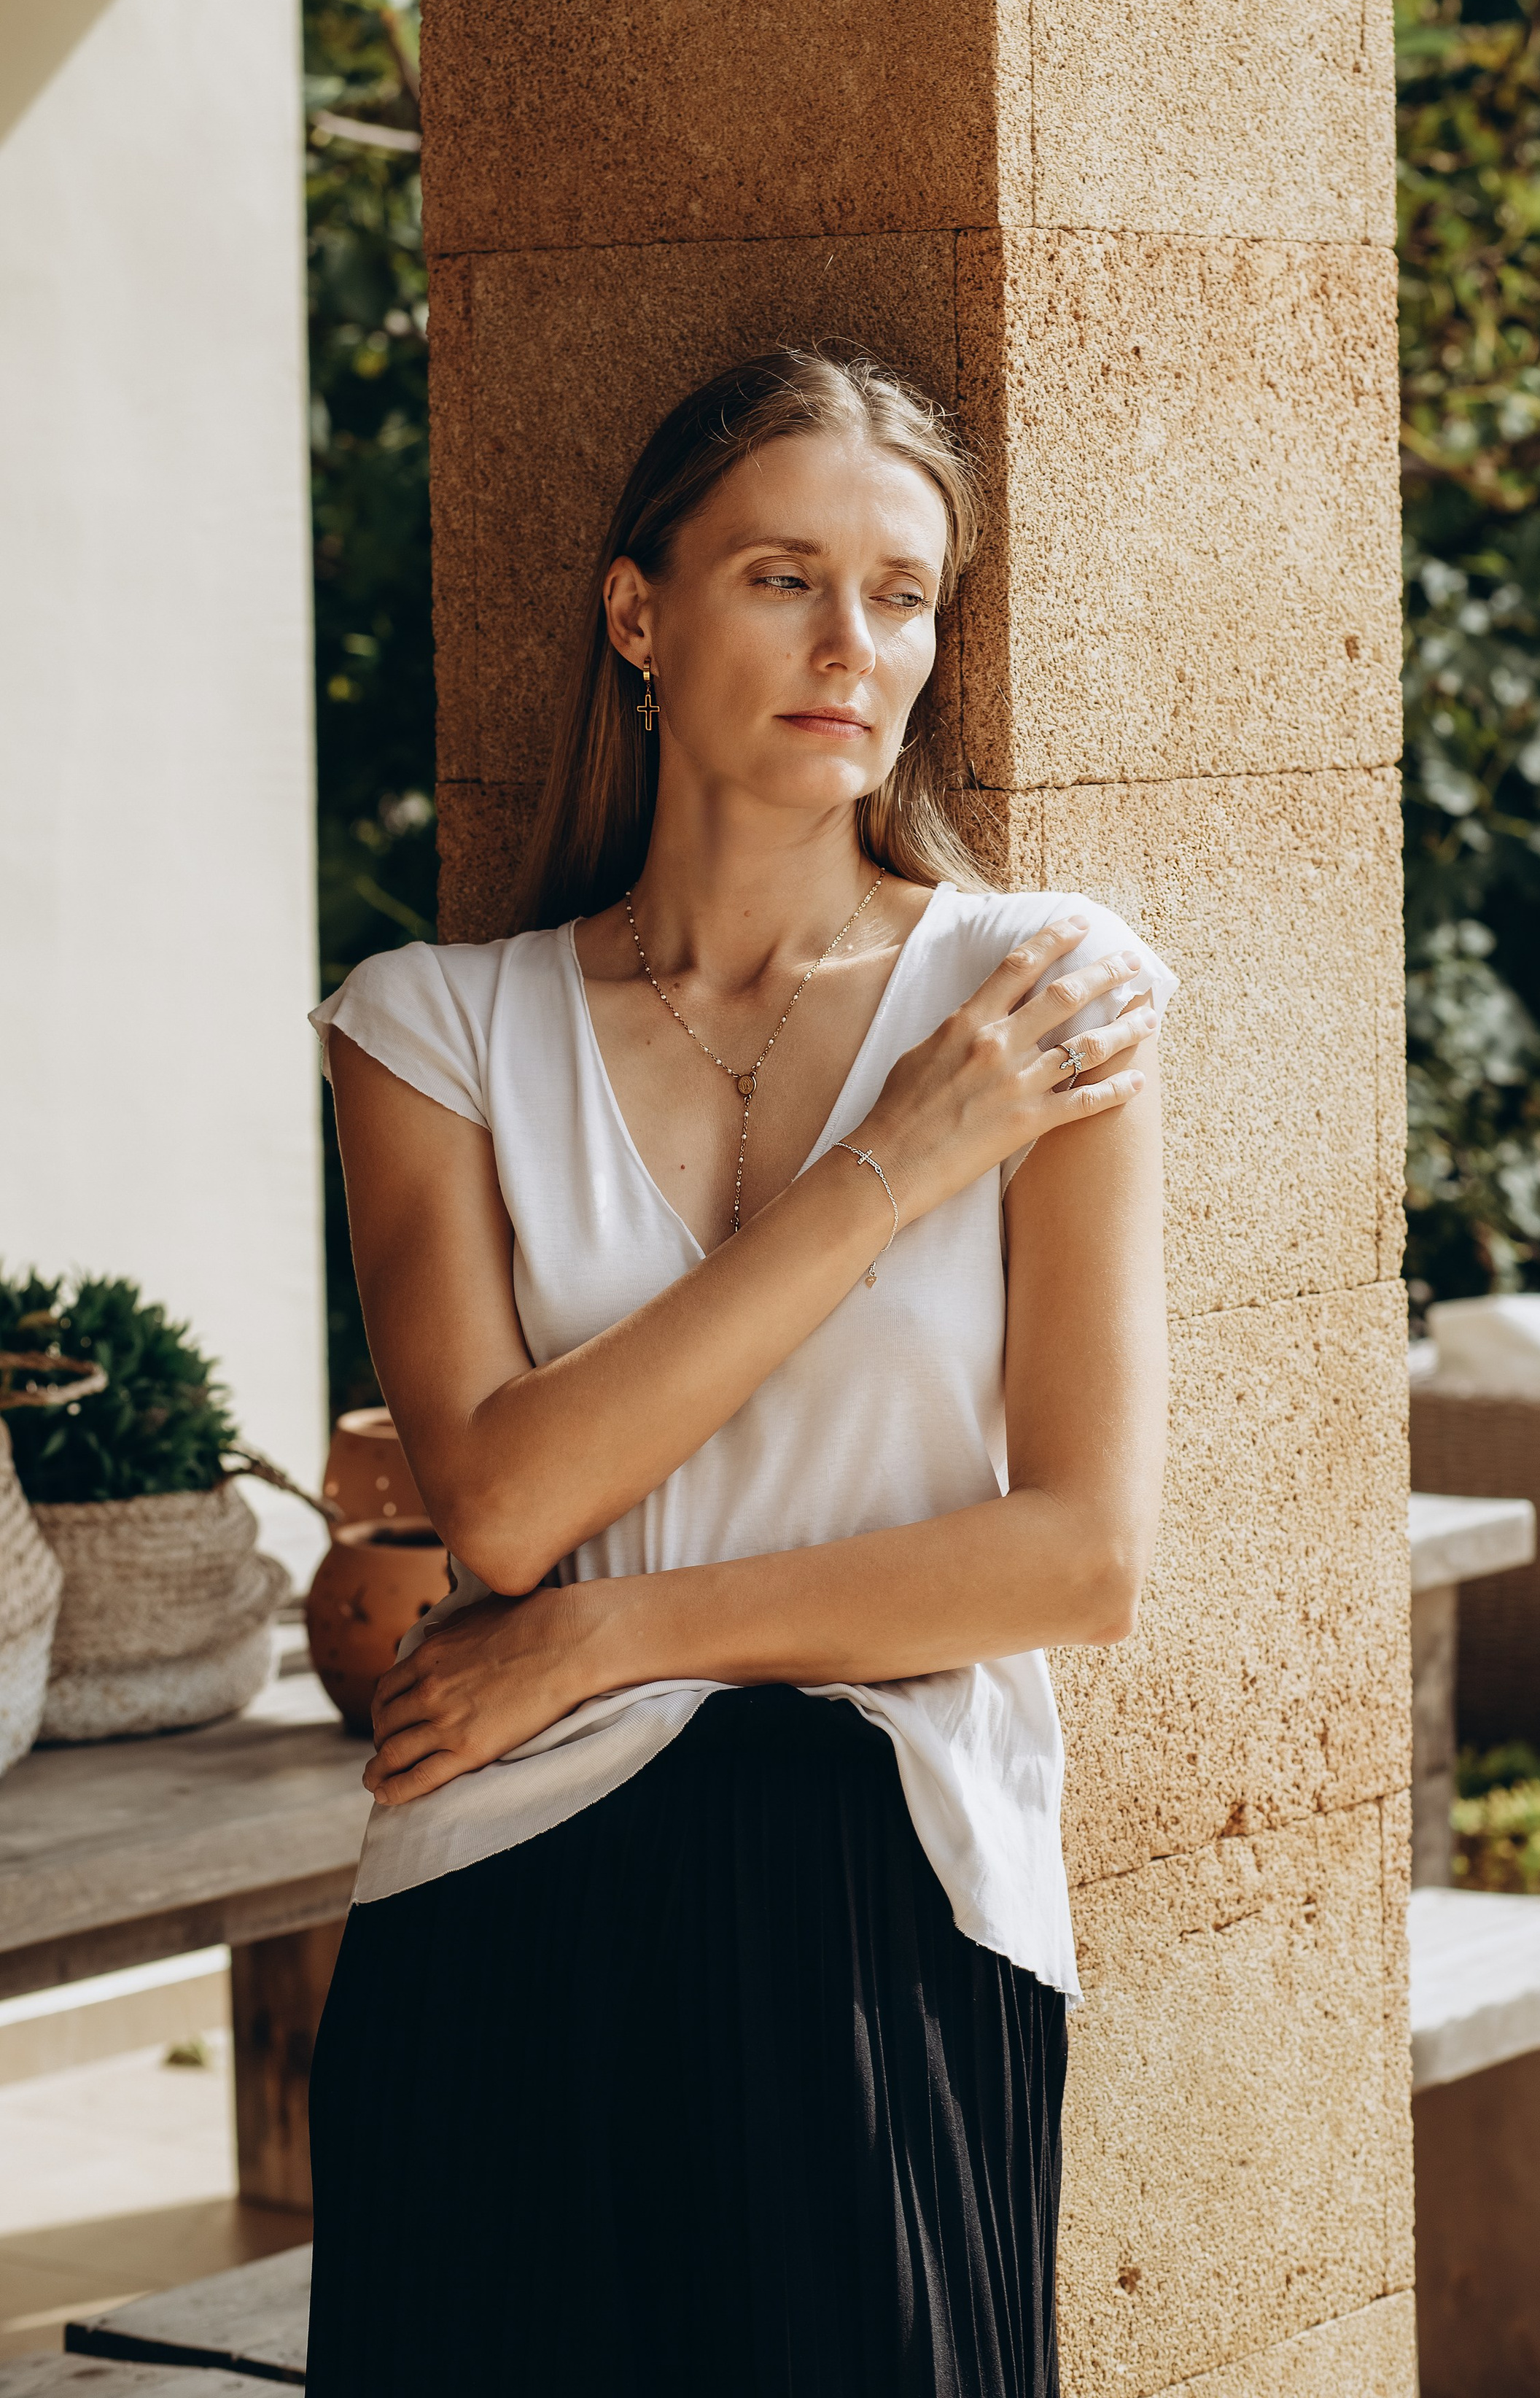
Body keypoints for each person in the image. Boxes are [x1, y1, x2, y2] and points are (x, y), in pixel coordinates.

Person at [304, 346, 1174, 2397]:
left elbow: (1077, 1559)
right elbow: (501, 1496)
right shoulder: (431, 1027)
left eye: (904, 593)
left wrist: (608, 1639)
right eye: (785, 577)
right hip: (500, 1899)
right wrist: (897, 1166)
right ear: (640, 611)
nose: (853, 646)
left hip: (887, 1897)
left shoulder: (1045, 997)